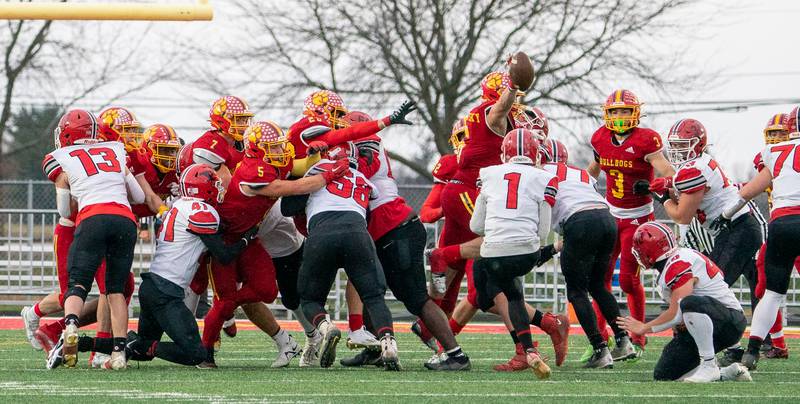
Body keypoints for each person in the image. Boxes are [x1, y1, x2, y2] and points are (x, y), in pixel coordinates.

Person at [72, 165, 255, 367]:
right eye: (214, 185)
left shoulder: (179, 206)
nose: (218, 189)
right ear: (203, 188)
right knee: (196, 354)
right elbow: (224, 255)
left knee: (144, 351)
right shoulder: (202, 211)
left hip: (152, 287)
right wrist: (247, 238)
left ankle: (83, 343)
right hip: (166, 293)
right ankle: (135, 343)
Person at [198, 120, 346, 368]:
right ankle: (205, 353)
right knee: (224, 301)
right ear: (257, 150)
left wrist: (317, 156)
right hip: (224, 239)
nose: (281, 151)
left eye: (279, 146)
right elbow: (293, 186)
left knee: (266, 291)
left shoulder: (272, 161)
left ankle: (231, 305)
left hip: (249, 237)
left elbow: (297, 167)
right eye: (274, 148)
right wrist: (328, 175)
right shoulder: (250, 172)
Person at [283, 144, 401, 370]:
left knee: (309, 299)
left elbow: (289, 207)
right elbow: (367, 211)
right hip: (357, 234)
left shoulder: (314, 172)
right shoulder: (363, 180)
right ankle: (388, 344)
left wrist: (297, 176)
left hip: (321, 235)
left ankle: (326, 327)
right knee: (374, 297)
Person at [42, 109, 144, 370]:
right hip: (124, 220)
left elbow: (65, 211)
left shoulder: (59, 157)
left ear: (66, 134)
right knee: (115, 289)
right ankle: (119, 353)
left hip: (92, 218)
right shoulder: (116, 149)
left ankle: (71, 325)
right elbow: (139, 197)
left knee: (78, 284)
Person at [585, 89, 675, 357]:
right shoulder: (600, 138)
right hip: (610, 216)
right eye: (615, 111)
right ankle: (600, 340)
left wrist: (656, 184)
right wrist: (580, 186)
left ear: (636, 113)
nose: (620, 116)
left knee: (626, 281)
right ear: (607, 114)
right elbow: (595, 169)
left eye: (625, 110)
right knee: (599, 281)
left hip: (638, 219)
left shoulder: (647, 140)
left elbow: (668, 171)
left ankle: (638, 338)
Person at [714, 105, 800, 370]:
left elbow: (748, 191)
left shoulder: (774, 152)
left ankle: (752, 351)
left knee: (772, 293)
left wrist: (726, 214)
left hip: (781, 223)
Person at [468, 128, 557, 379]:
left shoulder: (487, 174)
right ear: (534, 153)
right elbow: (543, 231)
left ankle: (528, 348)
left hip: (494, 252)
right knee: (513, 292)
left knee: (495, 290)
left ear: (504, 152)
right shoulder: (544, 178)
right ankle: (530, 349)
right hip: (527, 251)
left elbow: (475, 226)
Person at [618, 222, 751, 383]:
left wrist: (644, 327)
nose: (637, 253)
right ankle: (725, 373)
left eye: (640, 248)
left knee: (688, 303)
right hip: (709, 318)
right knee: (665, 374)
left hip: (729, 322)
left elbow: (676, 312)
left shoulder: (678, 263)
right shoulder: (674, 261)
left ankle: (709, 365)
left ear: (652, 250)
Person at [540, 139, 633, 368]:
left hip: (579, 221)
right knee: (598, 286)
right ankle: (623, 340)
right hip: (606, 218)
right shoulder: (579, 173)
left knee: (576, 291)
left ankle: (600, 349)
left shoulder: (538, 172)